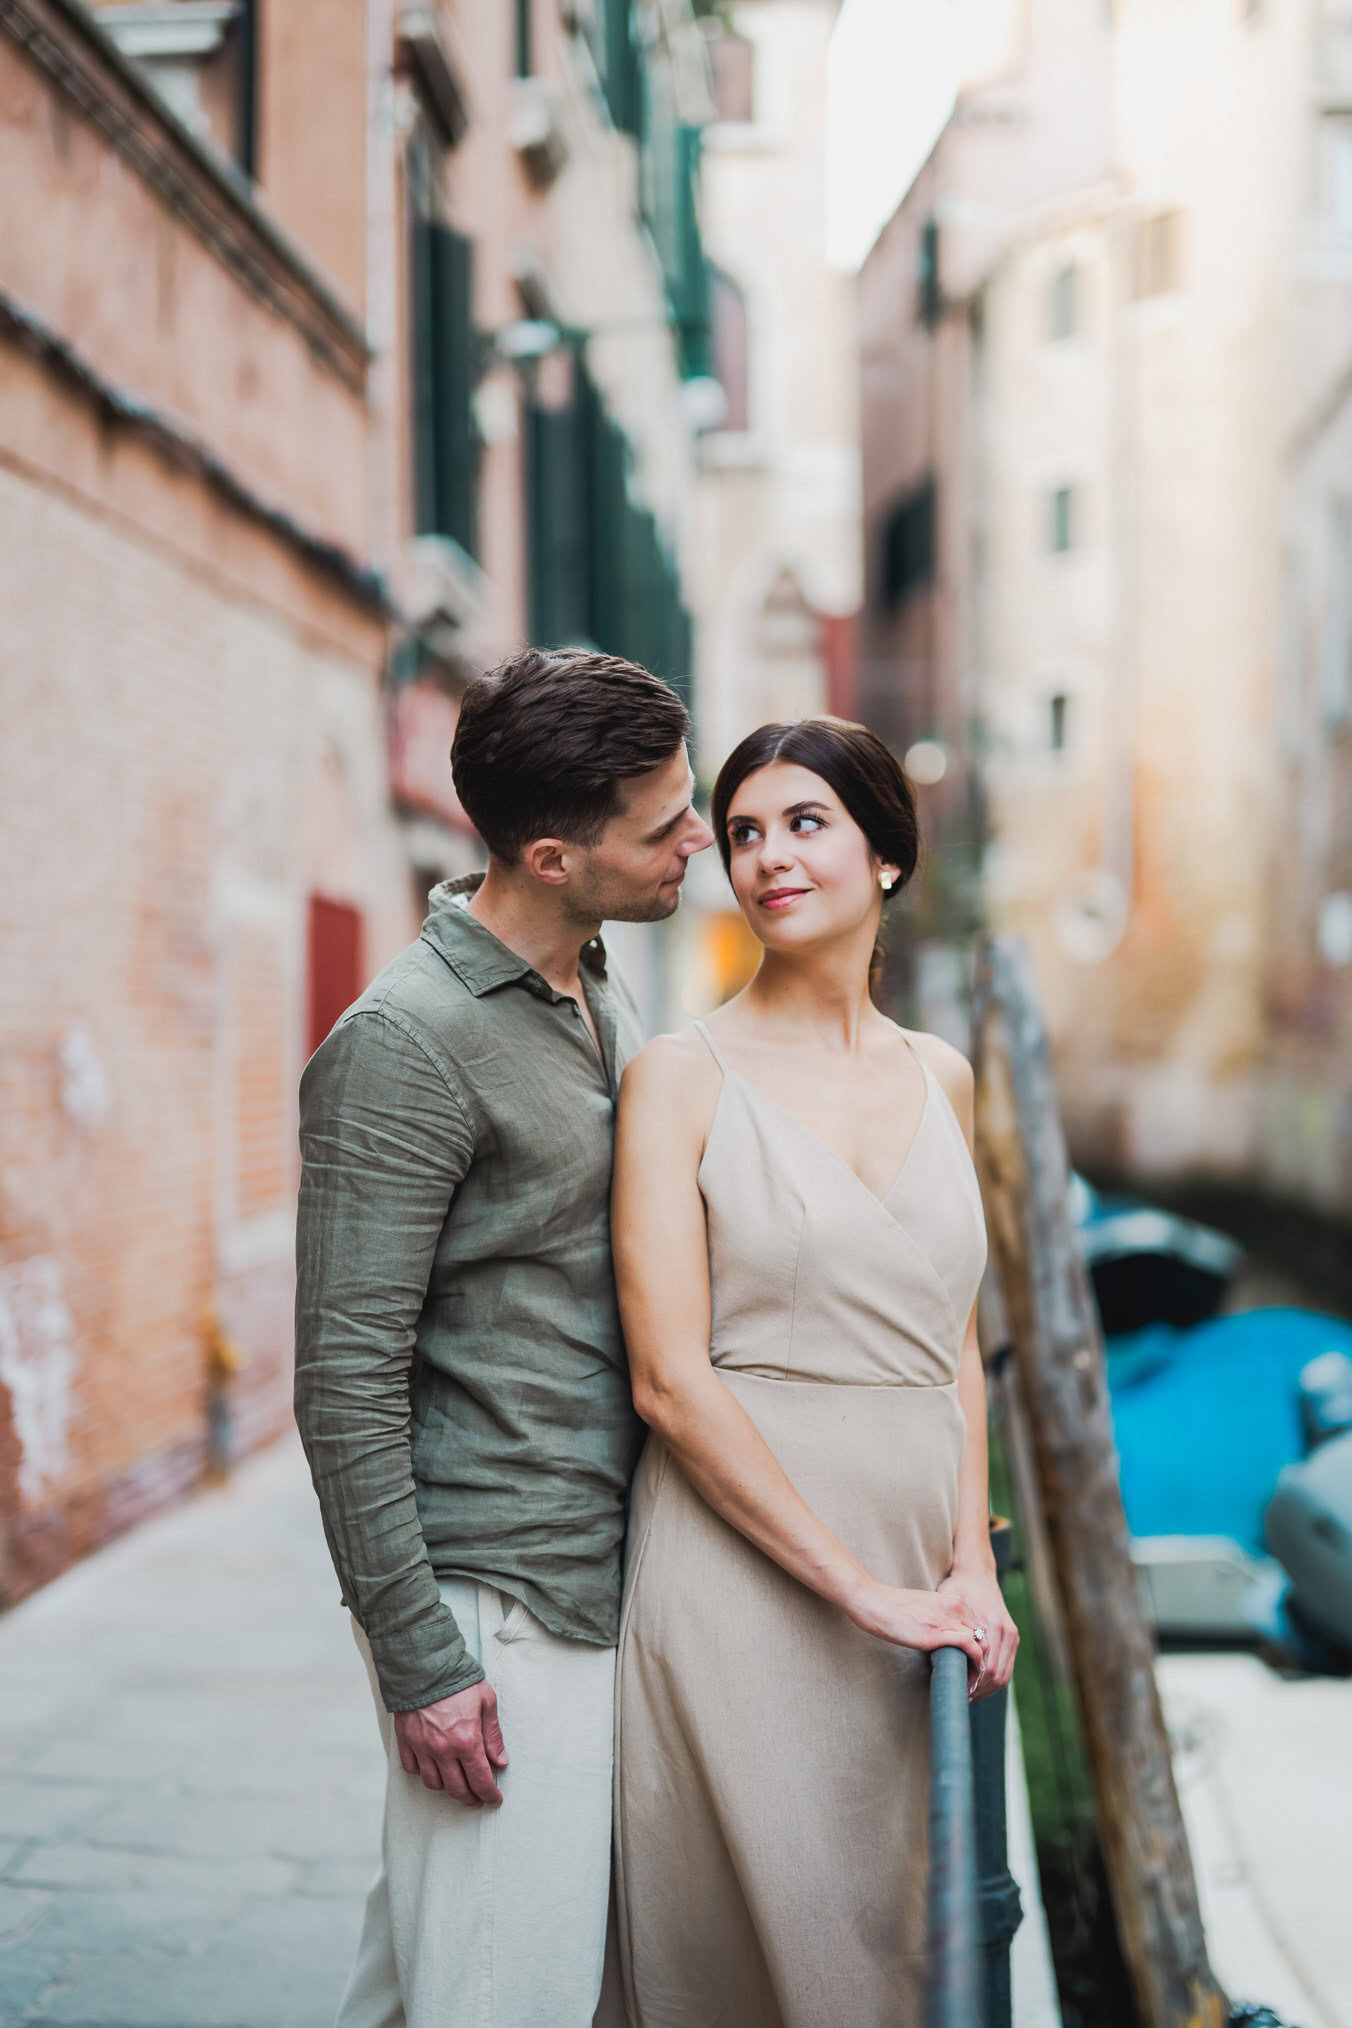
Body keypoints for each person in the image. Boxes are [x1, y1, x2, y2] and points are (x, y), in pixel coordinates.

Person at [293, 647, 712, 2028]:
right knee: (505, 1995)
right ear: (549, 853)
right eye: (664, 825)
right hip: (496, 1601)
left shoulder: (598, 984)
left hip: (586, 1571)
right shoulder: (403, 1044)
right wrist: (423, 1661)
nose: (696, 838)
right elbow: (344, 1376)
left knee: (431, 1982)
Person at [606, 717, 1018, 2028]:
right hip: (744, 1588)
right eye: (741, 833)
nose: (767, 857)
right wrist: (861, 1591)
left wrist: (971, 1564)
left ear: (884, 854)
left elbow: (953, 1341)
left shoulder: (945, 1076)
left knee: (908, 1960)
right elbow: (668, 1381)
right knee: (763, 1965)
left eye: (804, 823)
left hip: (914, 1577)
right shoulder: (680, 1077)